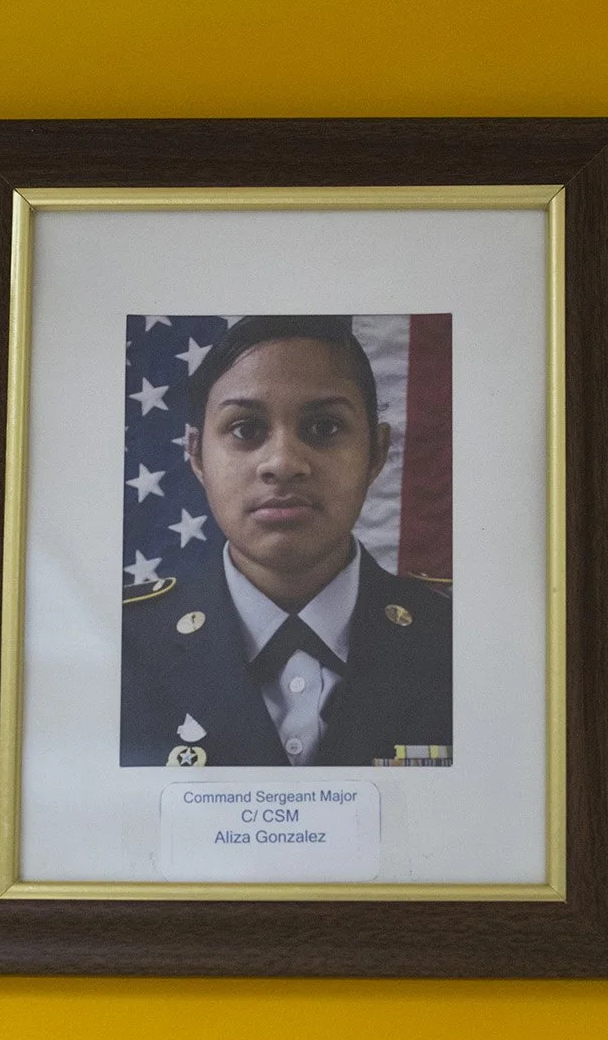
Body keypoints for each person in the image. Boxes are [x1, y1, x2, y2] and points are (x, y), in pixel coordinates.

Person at [121, 316, 452, 768]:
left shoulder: (456, 641)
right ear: (196, 455)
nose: (282, 463)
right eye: (245, 429)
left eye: (324, 428)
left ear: (376, 452)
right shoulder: (120, 646)